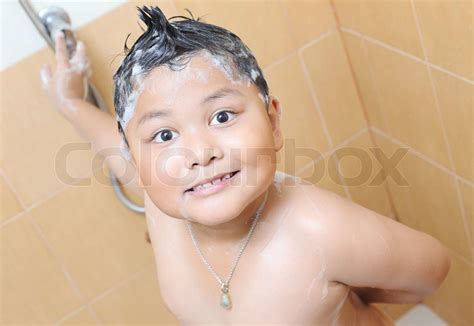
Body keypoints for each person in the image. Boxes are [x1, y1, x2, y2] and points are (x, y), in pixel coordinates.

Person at [40, 5, 451, 325]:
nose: (200, 154)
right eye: (165, 135)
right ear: (137, 160)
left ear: (272, 123)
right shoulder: (160, 197)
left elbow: (430, 271)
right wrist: (71, 102)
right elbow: (109, 139)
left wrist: (337, 295)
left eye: (221, 116)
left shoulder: (319, 230)